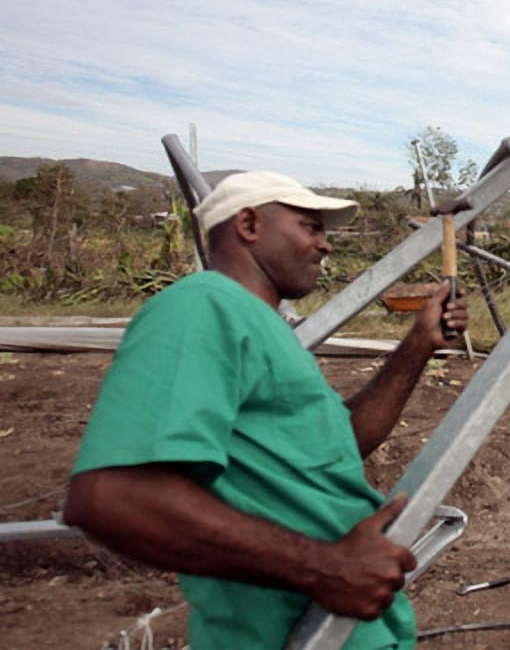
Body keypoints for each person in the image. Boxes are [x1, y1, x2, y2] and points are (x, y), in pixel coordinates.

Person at [63, 171, 468, 649]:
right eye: (310, 227)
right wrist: (326, 567)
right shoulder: (203, 306)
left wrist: (418, 344)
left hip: (335, 630)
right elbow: (110, 496)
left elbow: (340, 444)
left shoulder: (263, 325)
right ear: (250, 224)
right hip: (281, 634)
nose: (325, 244)